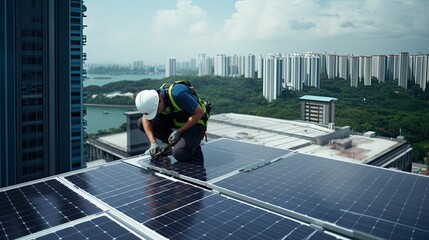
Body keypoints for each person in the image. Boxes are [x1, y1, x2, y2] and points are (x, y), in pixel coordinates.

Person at [135, 81, 210, 162]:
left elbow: (200, 113)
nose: (157, 113)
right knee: (141, 123)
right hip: (177, 120)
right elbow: (145, 119)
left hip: (196, 121)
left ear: (159, 100)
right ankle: (174, 142)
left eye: (157, 110)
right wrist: (153, 143)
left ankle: (185, 144)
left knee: (180, 154)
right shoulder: (154, 99)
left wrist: (178, 132)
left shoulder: (178, 95)